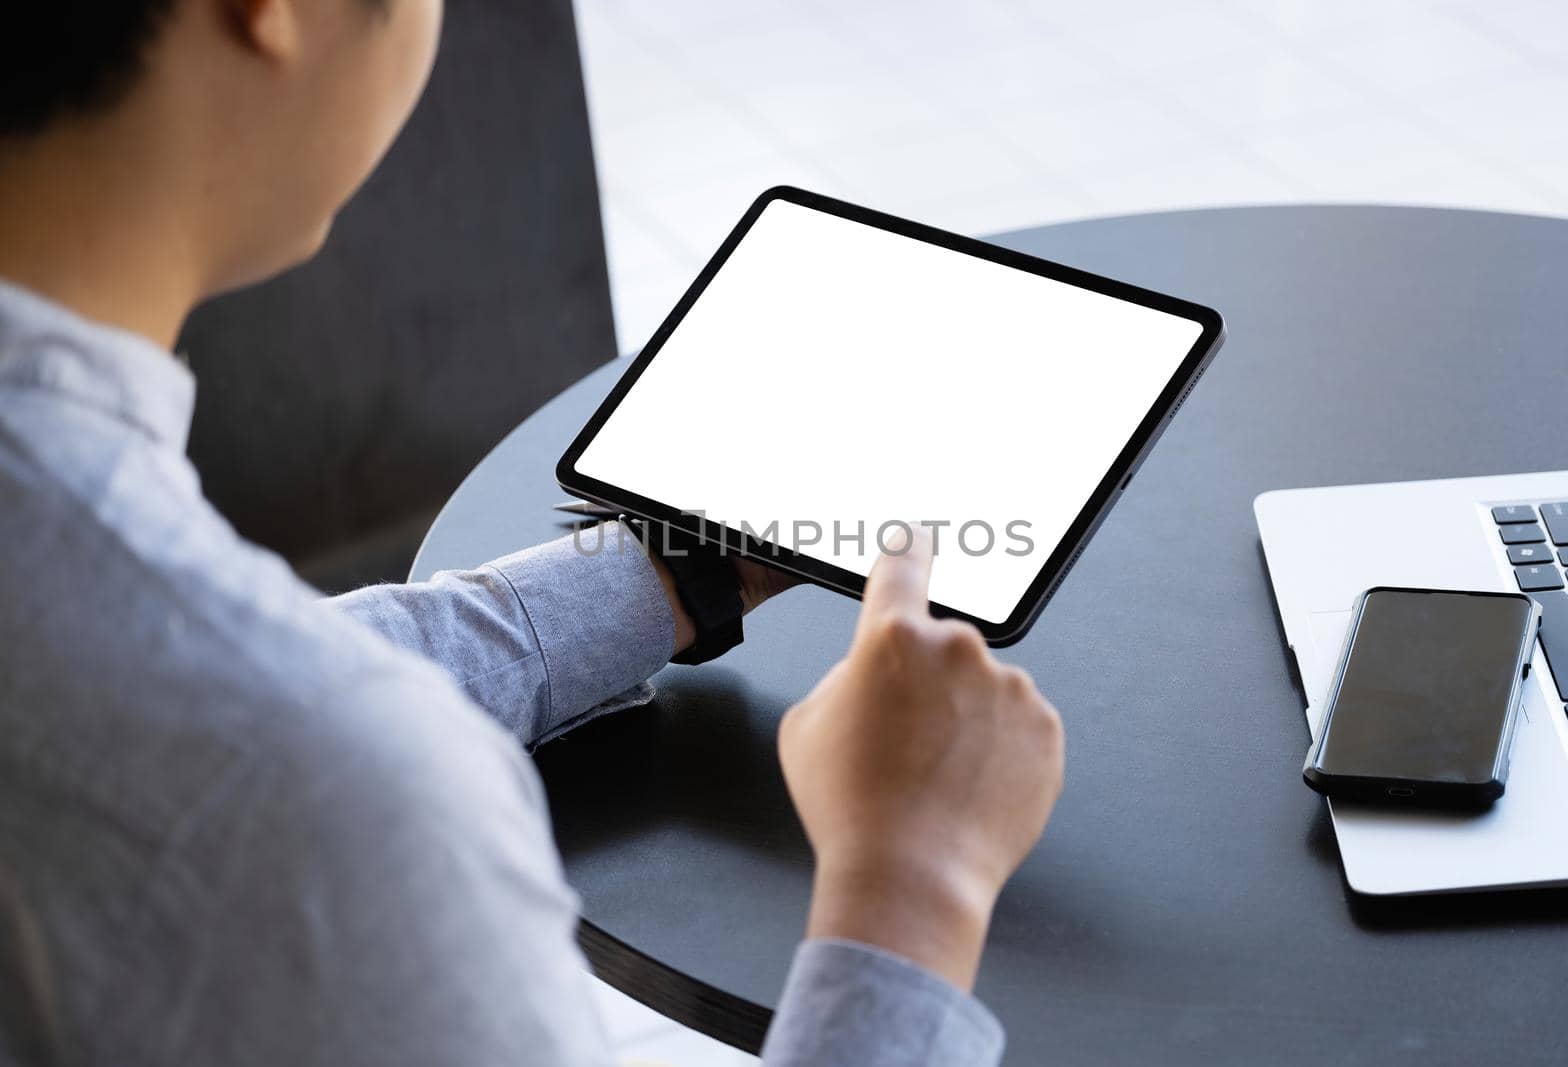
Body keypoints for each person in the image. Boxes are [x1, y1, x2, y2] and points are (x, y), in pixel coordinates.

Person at [0, 2, 1065, 1065]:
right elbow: (262, 728)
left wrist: (683, 569)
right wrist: (911, 894)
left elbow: (197, 675)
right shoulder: (341, 806)